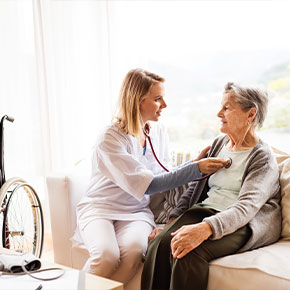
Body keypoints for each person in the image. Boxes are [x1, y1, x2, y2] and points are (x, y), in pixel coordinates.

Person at [72, 68, 228, 285]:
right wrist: (196, 168)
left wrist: (193, 164)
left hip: (136, 211)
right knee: (106, 256)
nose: (164, 105)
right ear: (137, 100)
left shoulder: (157, 131)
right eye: (157, 99)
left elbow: (164, 173)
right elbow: (149, 185)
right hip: (101, 209)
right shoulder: (111, 137)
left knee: (134, 252)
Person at [141, 82, 282, 290]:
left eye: (226, 108)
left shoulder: (262, 158)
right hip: (206, 211)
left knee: (186, 252)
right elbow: (195, 189)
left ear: (250, 114)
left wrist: (205, 229)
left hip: (243, 223)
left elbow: (246, 208)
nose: (219, 113)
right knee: (160, 243)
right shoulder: (218, 144)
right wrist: (172, 220)